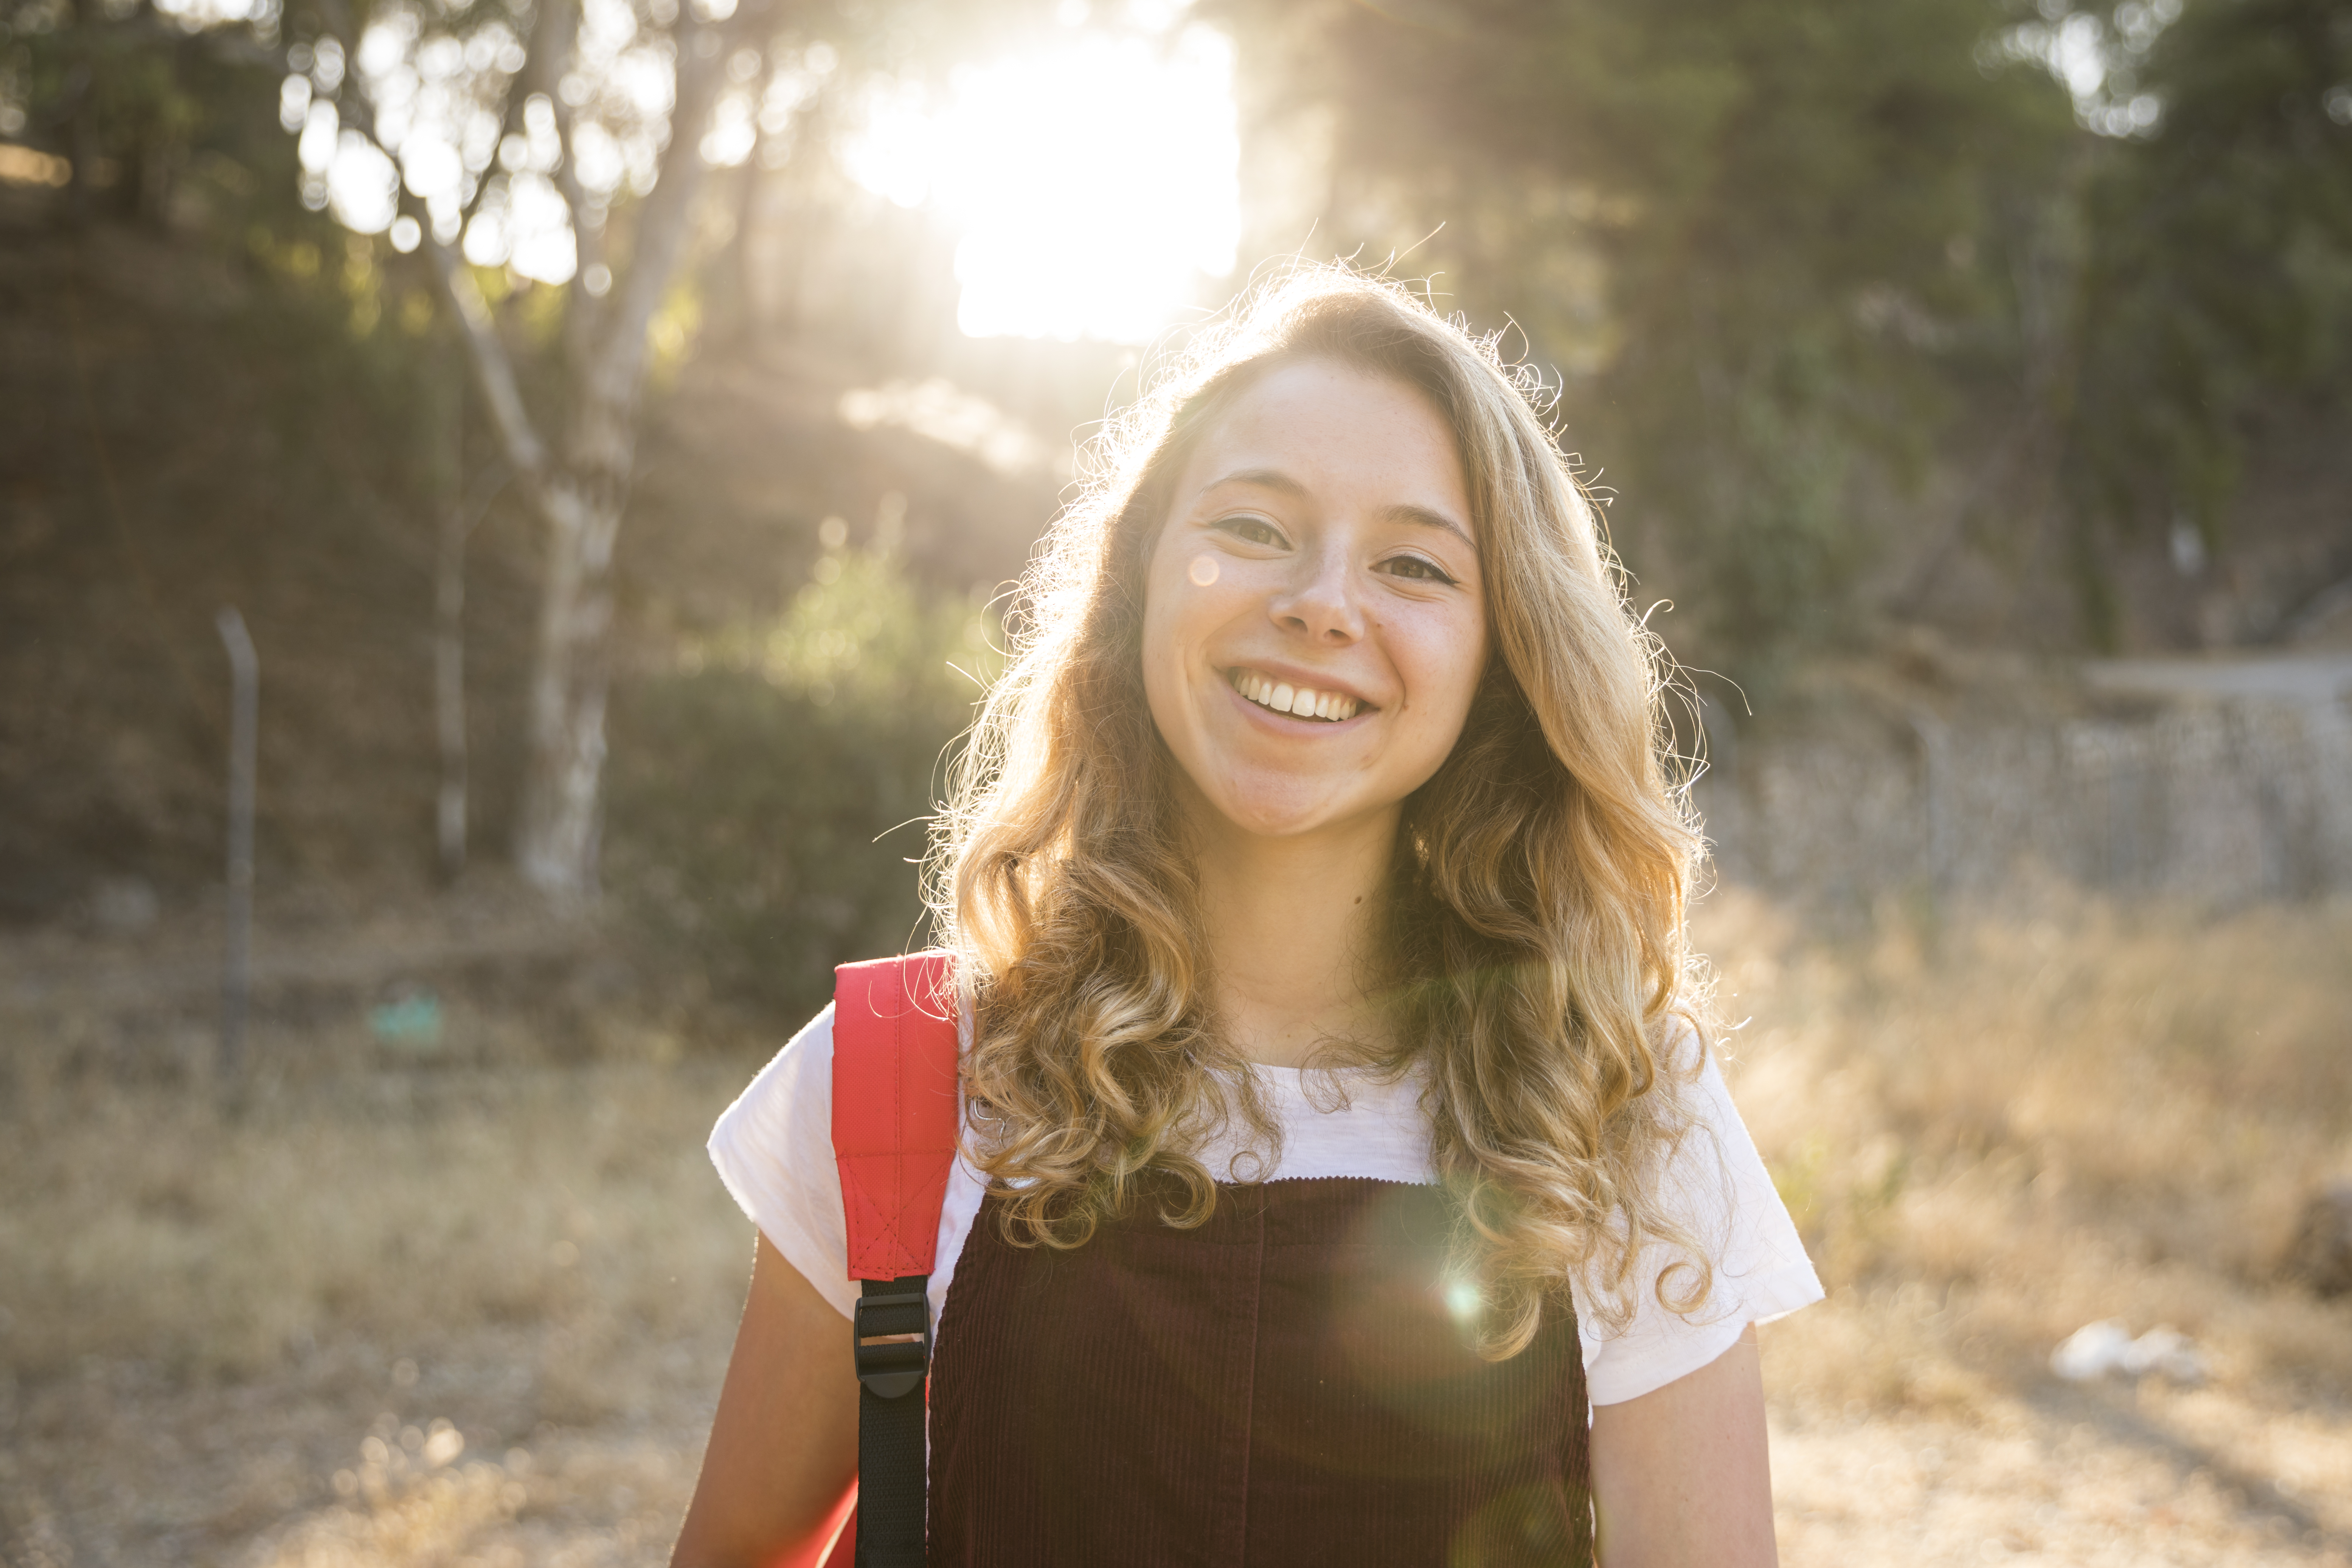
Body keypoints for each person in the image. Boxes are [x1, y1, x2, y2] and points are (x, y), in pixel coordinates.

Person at [670, 267, 1822, 1567]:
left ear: (1500, 662)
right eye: (1257, 527)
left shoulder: (1621, 1113)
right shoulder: (892, 1079)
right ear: (1140, 579)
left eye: (1411, 563)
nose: (1323, 602)